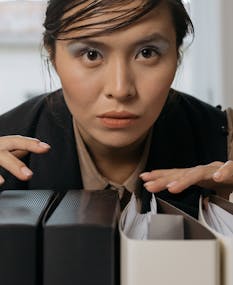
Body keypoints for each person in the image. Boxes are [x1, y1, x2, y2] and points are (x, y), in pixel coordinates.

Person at [0, 0, 232, 217]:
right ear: (53, 57)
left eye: (147, 53)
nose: (120, 89)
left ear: (177, 56)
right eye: (91, 54)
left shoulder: (226, 143)